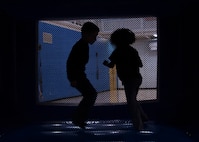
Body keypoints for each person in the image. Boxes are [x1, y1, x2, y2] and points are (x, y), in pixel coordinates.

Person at [103, 28, 148, 131]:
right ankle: (144, 118)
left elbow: (111, 65)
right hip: (136, 79)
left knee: (131, 102)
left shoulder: (117, 52)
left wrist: (106, 63)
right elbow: (140, 64)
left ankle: (138, 126)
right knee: (133, 100)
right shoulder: (132, 50)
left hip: (129, 80)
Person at [66, 22, 99, 129]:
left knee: (90, 95)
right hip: (78, 76)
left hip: (80, 75)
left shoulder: (83, 45)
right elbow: (71, 63)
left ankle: (79, 119)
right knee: (91, 94)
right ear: (87, 34)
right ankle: (78, 118)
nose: (95, 38)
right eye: (94, 36)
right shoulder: (80, 46)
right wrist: (72, 78)